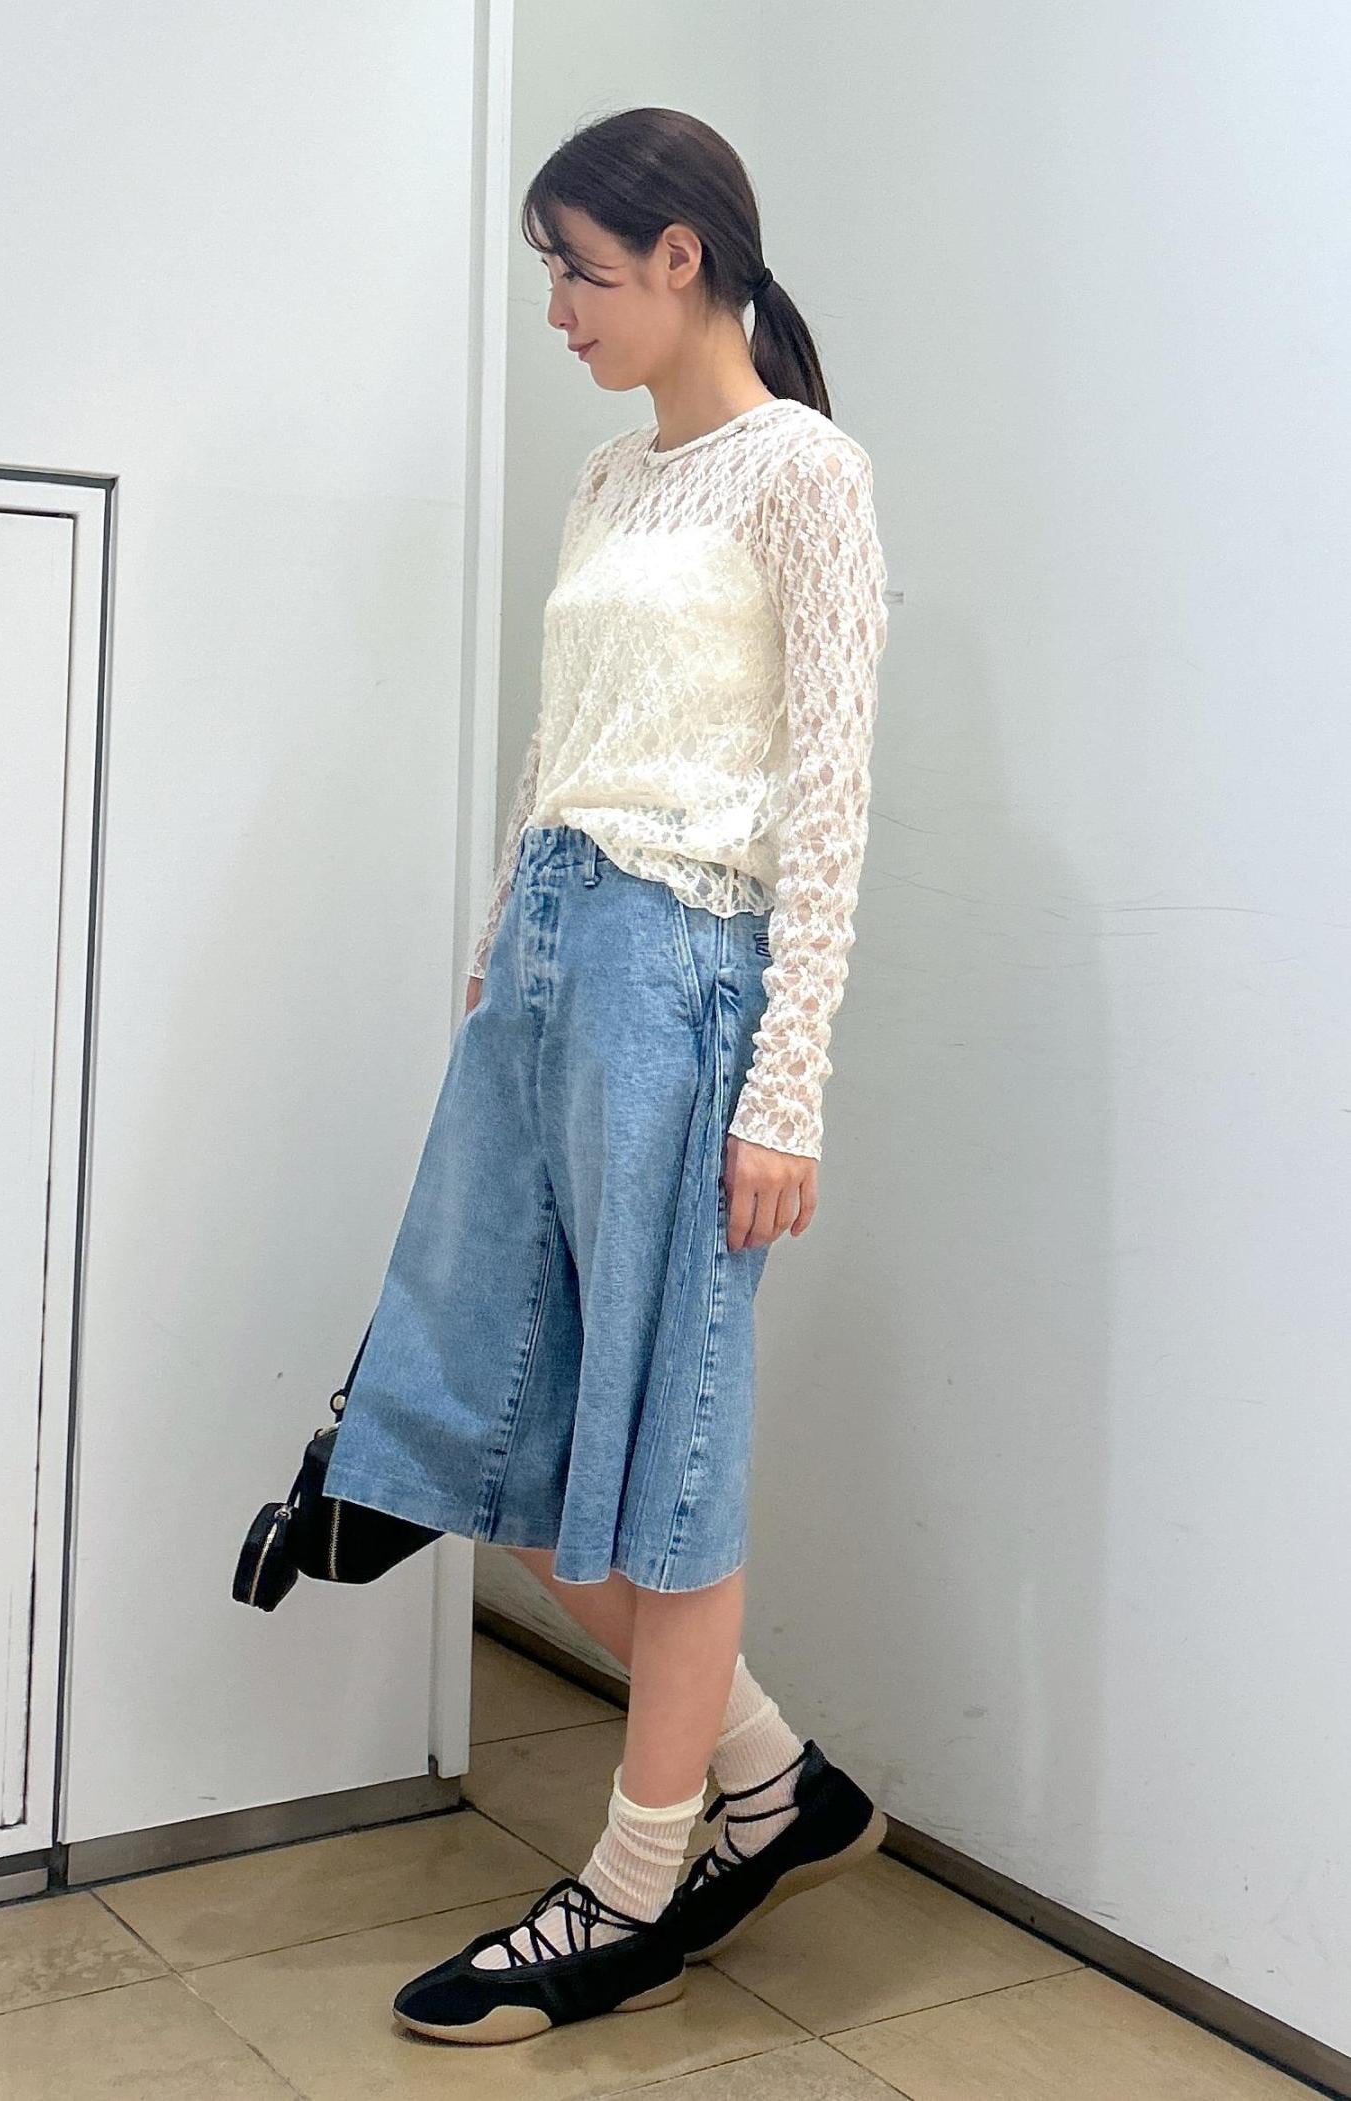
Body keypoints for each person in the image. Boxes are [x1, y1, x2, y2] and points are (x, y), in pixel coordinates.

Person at [322, 106, 892, 2045]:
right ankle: (772, 1781)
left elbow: (829, 796)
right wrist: (507, 941)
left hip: (688, 973)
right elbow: (559, 738)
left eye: (578, 268)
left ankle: (635, 1889)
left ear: (681, 257)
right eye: (547, 271)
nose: (558, 308)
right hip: (558, 960)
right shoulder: (604, 479)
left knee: (664, 1459)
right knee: (497, 1429)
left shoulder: (805, 475)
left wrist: (787, 1082)